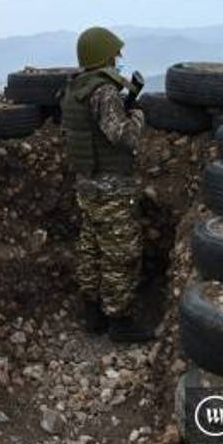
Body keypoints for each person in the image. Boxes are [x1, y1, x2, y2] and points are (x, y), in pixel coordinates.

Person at [60, 26, 154, 343]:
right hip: (111, 188)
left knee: (91, 248)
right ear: (105, 55)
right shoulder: (104, 92)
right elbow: (123, 136)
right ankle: (120, 320)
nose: (119, 60)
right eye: (115, 55)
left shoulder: (77, 87)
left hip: (88, 184)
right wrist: (137, 114)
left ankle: (93, 314)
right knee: (120, 253)